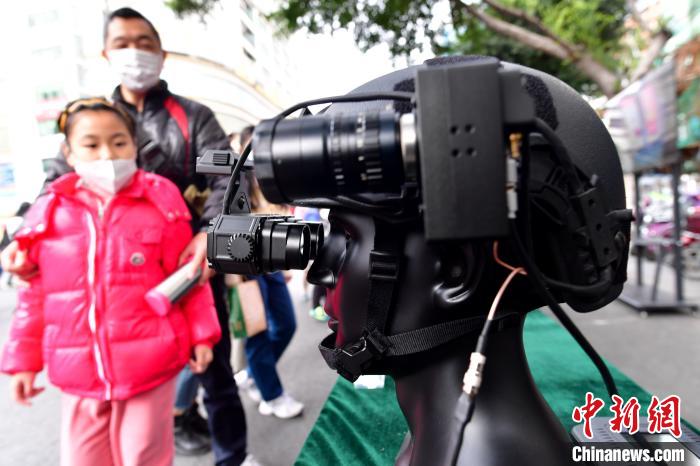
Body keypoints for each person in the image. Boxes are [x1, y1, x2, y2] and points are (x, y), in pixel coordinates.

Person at [1, 8, 254, 465]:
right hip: (112, 284)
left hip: (184, 265)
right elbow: (50, 192)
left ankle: (231, 455)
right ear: (105, 53)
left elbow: (229, 178)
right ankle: (176, 417)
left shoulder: (193, 117)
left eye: (144, 41)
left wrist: (209, 234)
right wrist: (19, 242)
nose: (134, 52)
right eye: (122, 43)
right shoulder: (93, 118)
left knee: (214, 369)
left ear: (161, 53)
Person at [0, 98, 220, 466]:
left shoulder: (161, 198)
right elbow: (36, 295)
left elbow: (189, 273)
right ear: (69, 153)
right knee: (84, 460)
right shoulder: (49, 211)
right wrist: (23, 361)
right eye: (91, 144)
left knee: (143, 456)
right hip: (78, 372)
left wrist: (202, 334)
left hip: (151, 364)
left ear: (135, 146)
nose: (107, 153)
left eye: (119, 142)